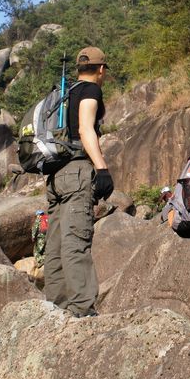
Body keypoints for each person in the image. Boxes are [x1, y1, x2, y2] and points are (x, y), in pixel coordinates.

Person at [44, 46, 114, 319]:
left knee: (56, 244)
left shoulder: (64, 93)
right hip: (76, 172)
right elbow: (86, 128)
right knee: (76, 241)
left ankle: (57, 308)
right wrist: (102, 167)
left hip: (54, 176)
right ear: (100, 69)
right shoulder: (90, 90)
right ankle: (82, 310)